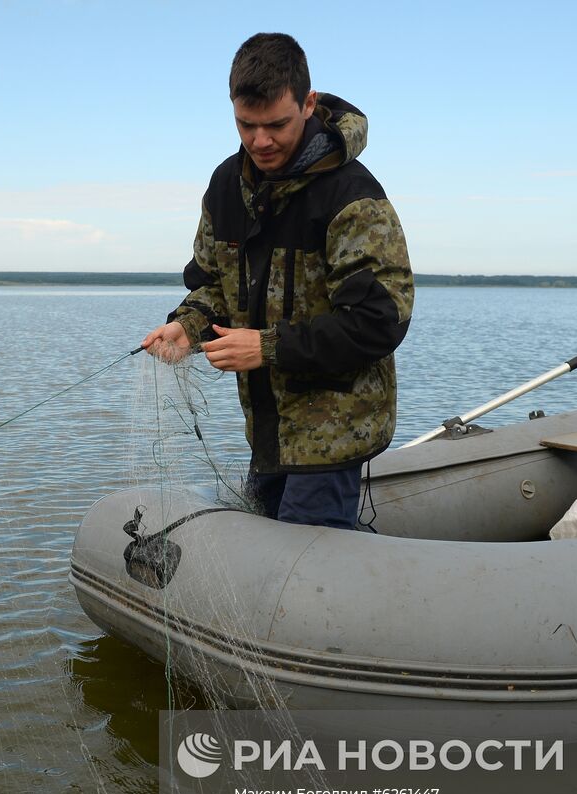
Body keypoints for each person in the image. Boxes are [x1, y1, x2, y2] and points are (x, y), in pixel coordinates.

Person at [142, 32, 413, 530]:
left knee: (306, 578)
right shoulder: (226, 187)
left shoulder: (353, 195)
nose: (260, 140)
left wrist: (267, 347)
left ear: (308, 105)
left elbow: (379, 322)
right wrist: (189, 326)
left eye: (276, 125)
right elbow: (213, 289)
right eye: (246, 125)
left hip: (336, 431)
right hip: (269, 430)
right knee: (263, 565)